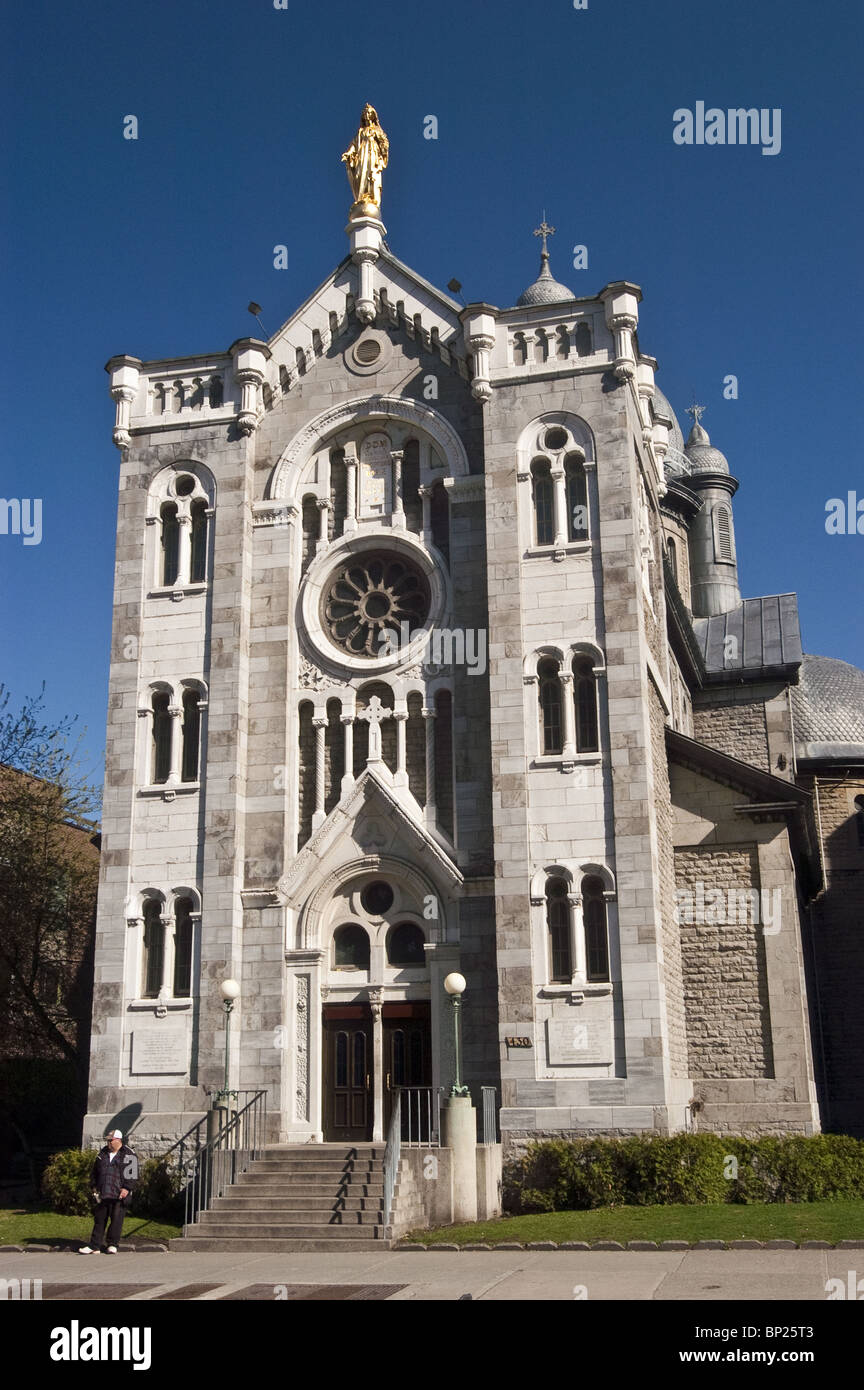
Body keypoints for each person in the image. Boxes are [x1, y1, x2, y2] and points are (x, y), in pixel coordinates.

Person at [78, 1130, 138, 1254]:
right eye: (108, 1141)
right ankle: (94, 1246)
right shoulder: (103, 1153)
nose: (108, 1143)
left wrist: (127, 1188)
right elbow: (95, 1172)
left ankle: (112, 1244)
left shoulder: (129, 1154)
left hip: (119, 1194)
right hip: (104, 1192)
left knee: (116, 1220)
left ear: (118, 1140)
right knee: (99, 1219)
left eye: (111, 1140)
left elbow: (133, 1175)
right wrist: (93, 1187)